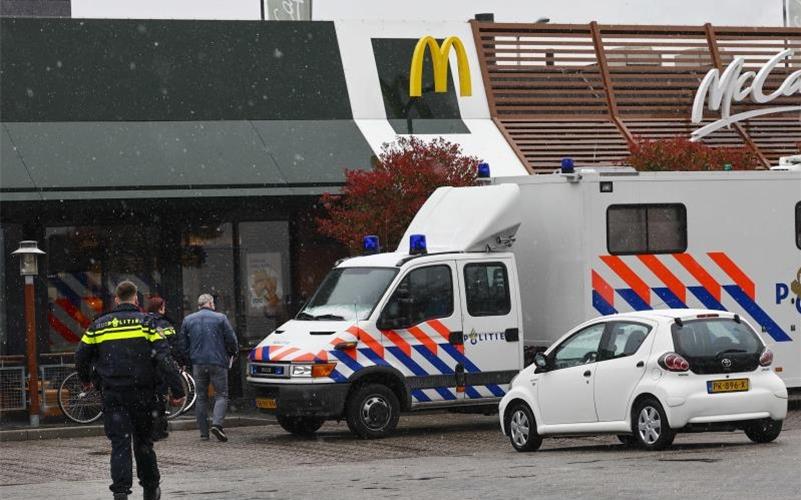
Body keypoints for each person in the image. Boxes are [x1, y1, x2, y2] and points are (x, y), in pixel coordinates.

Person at [75, 281, 185, 500]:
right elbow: (165, 359)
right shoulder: (148, 324)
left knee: (120, 445)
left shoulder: (99, 325)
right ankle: (151, 488)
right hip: (144, 395)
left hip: (114, 395)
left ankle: (121, 492)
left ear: (116, 299)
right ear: (136, 300)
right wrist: (177, 390)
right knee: (144, 444)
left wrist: (86, 380)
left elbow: (81, 355)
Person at [179, 293, 238, 442]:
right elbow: (231, 339)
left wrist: (188, 358)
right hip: (218, 361)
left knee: (201, 397)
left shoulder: (188, 320)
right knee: (221, 395)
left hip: (198, 363)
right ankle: (217, 425)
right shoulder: (221, 318)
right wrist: (232, 353)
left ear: (199, 305)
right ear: (211, 304)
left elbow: (183, 344)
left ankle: (204, 433)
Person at [145, 296, 184, 441]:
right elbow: (174, 347)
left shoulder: (143, 322)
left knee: (148, 398)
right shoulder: (165, 325)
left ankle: (148, 427)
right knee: (160, 398)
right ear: (161, 307)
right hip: (160, 366)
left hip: (144, 368)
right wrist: (180, 361)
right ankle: (158, 430)